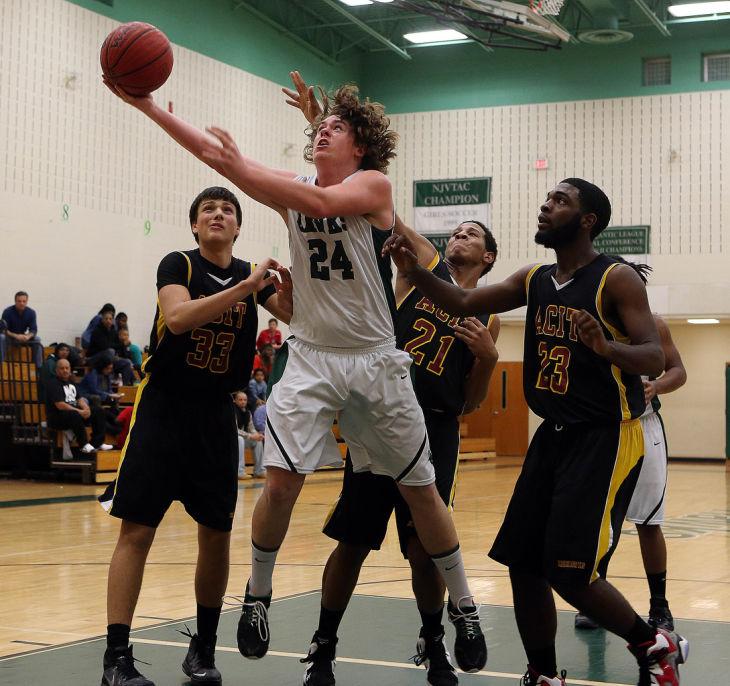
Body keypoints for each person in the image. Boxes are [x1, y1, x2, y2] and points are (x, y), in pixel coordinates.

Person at [104, 78, 488, 674]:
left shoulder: (373, 187)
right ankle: (257, 597)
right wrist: (148, 105)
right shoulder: (295, 187)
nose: (322, 130)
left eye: (336, 127)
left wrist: (242, 166)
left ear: (360, 148)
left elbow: (322, 204)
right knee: (281, 482)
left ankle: (463, 604)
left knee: (420, 490)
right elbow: (217, 157)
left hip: (373, 357)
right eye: (320, 126)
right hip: (310, 355)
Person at [383, 179, 689, 686]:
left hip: (604, 435)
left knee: (569, 570)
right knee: (523, 562)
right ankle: (543, 673)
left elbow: (655, 357)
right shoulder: (535, 278)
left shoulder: (616, 279)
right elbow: (462, 302)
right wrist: (412, 271)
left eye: (560, 201)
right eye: (547, 200)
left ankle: (653, 645)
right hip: (553, 435)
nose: (546, 207)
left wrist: (606, 349)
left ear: (587, 219)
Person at [96, 185, 290, 686]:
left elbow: (300, 317)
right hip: (163, 409)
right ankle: (117, 657)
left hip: (215, 416)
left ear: (239, 226)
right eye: (209, 209)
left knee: (217, 537)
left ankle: (203, 651)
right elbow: (179, 318)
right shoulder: (179, 264)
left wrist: (295, 277)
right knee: (136, 530)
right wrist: (247, 289)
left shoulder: (254, 276)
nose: (219, 214)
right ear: (195, 225)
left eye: (228, 209)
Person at [304, 217, 500, 686]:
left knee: (423, 549)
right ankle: (323, 647)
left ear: (488, 257)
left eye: (471, 234)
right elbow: (399, 227)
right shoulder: (416, 277)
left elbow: (472, 402)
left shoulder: (487, 313)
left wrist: (490, 359)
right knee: (352, 541)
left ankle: (434, 645)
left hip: (436, 425)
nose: (458, 236)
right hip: (381, 417)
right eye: (455, 232)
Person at [575, 260, 687, 634]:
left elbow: (677, 371)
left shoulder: (654, 325)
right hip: (600, 428)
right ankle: (596, 600)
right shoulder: (586, 321)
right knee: (599, 520)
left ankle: (660, 606)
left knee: (649, 521)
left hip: (644, 425)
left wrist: (658, 386)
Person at [44, 358, 112, 455]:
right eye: (62, 368)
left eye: (67, 368)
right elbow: (60, 405)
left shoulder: (71, 383)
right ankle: (83, 445)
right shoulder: (53, 384)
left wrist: (86, 409)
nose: (65, 370)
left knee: (98, 411)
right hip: (57, 418)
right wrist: (79, 411)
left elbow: (79, 399)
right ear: (56, 370)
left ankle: (97, 443)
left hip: (73, 414)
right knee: (74, 414)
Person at [87, 309, 135, 385]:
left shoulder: (113, 331)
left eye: (110, 319)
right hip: (94, 358)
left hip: (109, 359)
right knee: (110, 351)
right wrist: (122, 345)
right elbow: (105, 346)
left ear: (113, 320)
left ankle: (125, 387)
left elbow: (118, 346)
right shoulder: (97, 331)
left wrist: (124, 345)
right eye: (106, 319)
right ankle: (111, 378)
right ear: (102, 320)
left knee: (126, 363)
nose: (108, 321)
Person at [0, 291, 43, 367]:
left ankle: (37, 367)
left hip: (23, 338)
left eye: (24, 301)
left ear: (27, 302)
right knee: (1, 337)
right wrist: (16, 336)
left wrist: (28, 336)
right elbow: (3, 329)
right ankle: (1, 365)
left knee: (37, 339)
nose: (22, 303)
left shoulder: (31, 312)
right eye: (19, 301)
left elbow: (34, 329)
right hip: (10, 337)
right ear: (15, 301)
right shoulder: (7, 311)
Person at [233, 390, 265, 479]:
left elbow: (251, 428)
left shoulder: (248, 412)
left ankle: (259, 471)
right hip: (230, 440)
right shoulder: (232, 412)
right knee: (240, 439)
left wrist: (257, 435)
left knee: (257, 441)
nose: (243, 402)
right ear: (234, 401)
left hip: (243, 439)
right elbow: (235, 430)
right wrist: (250, 436)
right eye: (240, 400)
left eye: (245, 400)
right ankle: (240, 472)